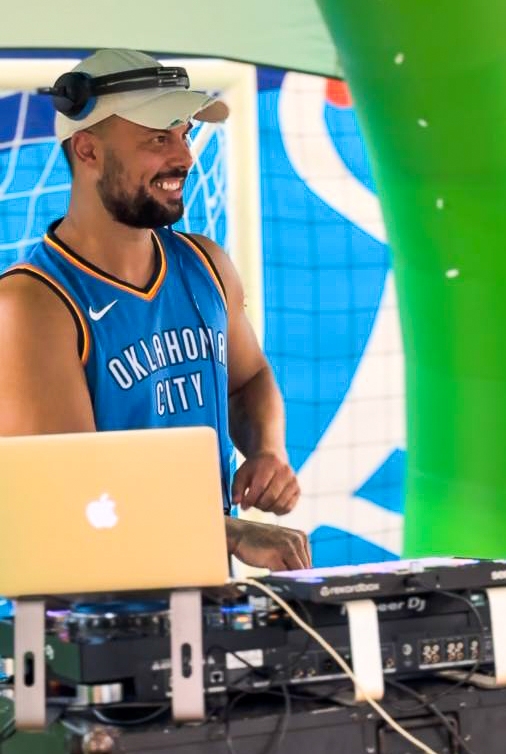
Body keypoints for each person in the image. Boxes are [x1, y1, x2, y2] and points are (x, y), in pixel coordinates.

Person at [0, 48, 310, 572]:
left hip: (203, 585)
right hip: (97, 608)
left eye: (185, 134)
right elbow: (71, 495)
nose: (185, 157)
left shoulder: (206, 263)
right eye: (158, 139)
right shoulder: (31, 305)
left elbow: (249, 379)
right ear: (87, 149)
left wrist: (267, 451)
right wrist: (230, 531)